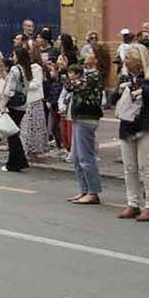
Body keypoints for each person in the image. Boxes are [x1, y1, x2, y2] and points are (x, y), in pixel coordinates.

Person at [64, 49, 106, 204]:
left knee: (85, 156)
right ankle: (84, 189)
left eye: (90, 53)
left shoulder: (93, 75)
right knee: (76, 156)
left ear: (96, 59)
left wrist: (65, 73)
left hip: (87, 117)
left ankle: (93, 191)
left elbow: (72, 86)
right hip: (79, 117)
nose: (86, 55)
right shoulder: (86, 75)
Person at [2, 47, 31, 172]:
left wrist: (3, 104)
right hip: (23, 104)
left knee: (12, 135)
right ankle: (20, 160)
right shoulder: (27, 69)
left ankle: (14, 163)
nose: (12, 58)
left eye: (14, 55)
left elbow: (10, 89)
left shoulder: (15, 69)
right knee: (14, 133)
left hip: (14, 105)